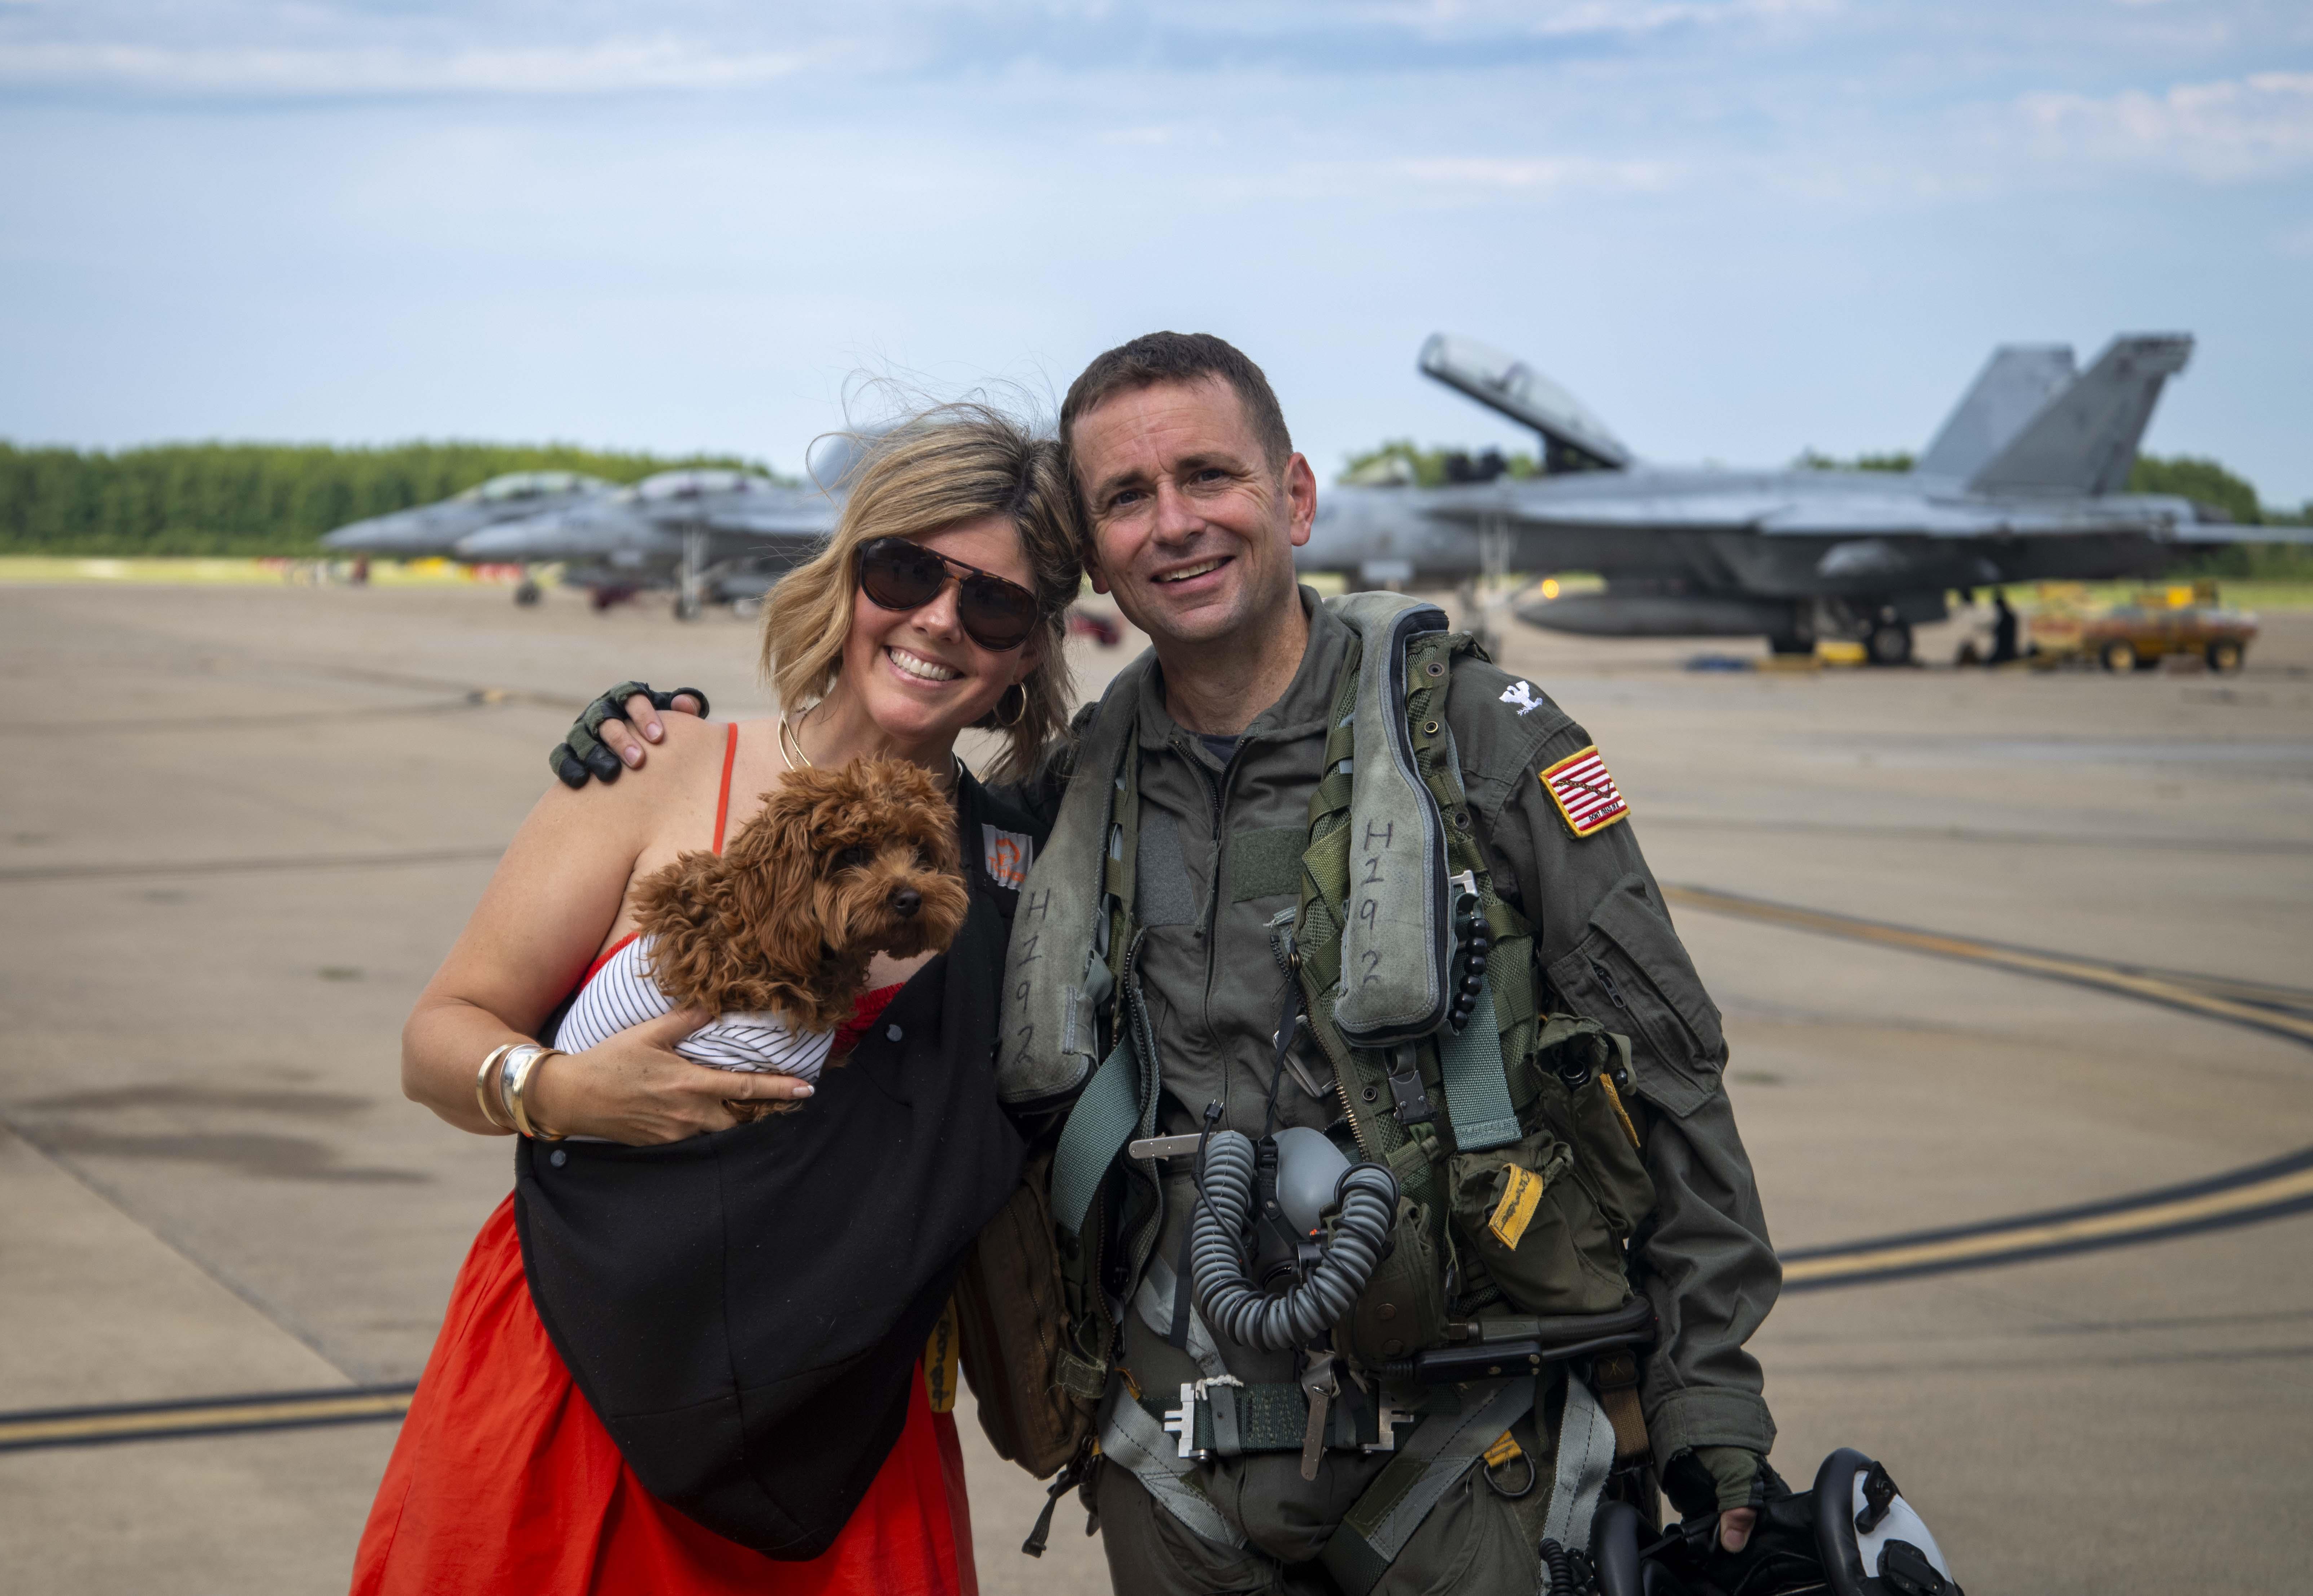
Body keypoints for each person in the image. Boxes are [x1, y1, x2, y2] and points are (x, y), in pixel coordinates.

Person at [583, 335, 1780, 1596]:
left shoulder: (1475, 742)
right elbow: (838, 911)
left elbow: (1668, 1063)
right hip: (1176, 1484)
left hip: (1466, 1456)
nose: (1175, 526)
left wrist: (1712, 1404)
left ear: (1295, 498)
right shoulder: (1055, 809)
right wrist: (635, 738)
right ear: (1094, 557)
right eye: (1126, 499)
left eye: (1209, 477)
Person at [355, 405, 1085, 1596]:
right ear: (849, 576)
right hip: (574, 1377)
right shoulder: (666, 765)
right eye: (907, 570)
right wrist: (562, 1091)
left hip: (842, 1425)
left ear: (1030, 652)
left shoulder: (1029, 856)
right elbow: (438, 1039)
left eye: (995, 603)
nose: (940, 620)